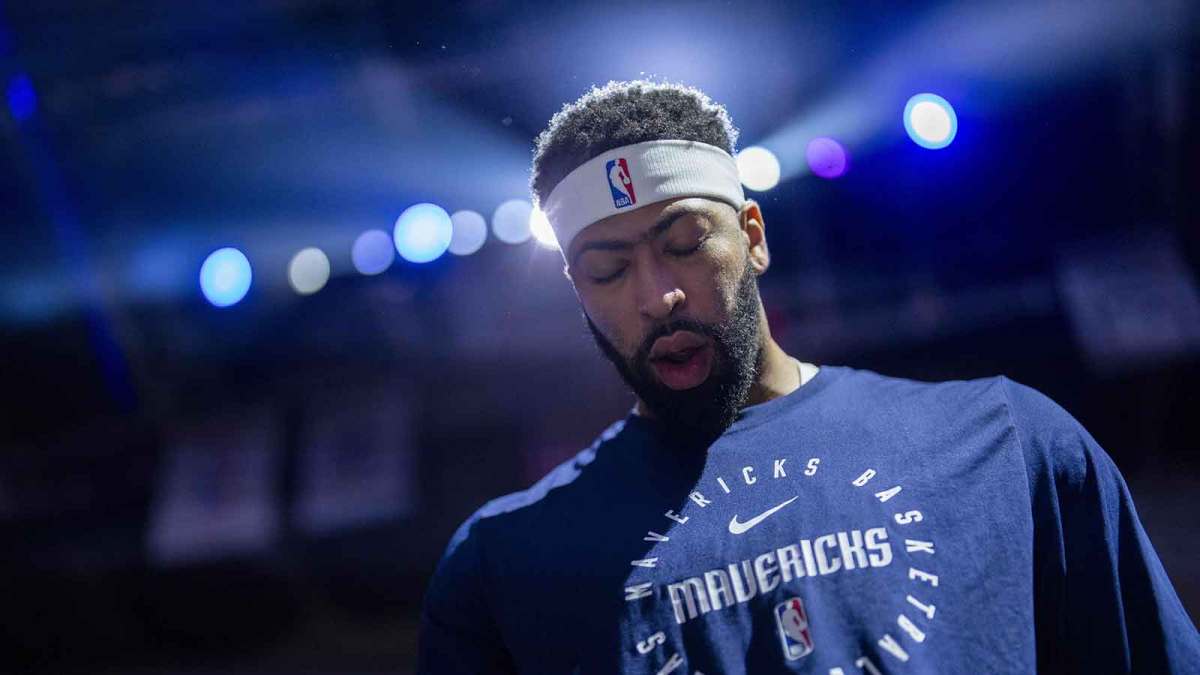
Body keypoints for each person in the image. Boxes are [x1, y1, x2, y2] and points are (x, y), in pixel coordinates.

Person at [416, 80, 1200, 674]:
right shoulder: (505, 566)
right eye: (608, 270)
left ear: (753, 237)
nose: (658, 295)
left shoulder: (1007, 443)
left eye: (685, 243)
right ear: (577, 293)